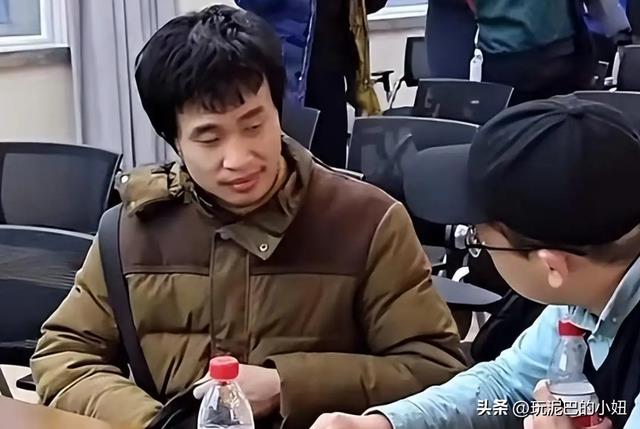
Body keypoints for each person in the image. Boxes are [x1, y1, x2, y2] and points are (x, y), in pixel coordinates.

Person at [30, 5, 466, 429]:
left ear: (279, 111)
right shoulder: (131, 229)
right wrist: (157, 422)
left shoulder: (368, 222)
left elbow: (436, 369)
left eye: (254, 126)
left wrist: (285, 385)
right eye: (209, 139)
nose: (238, 159)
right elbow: (65, 354)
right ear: (174, 140)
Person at [310, 95, 640, 429]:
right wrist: (385, 423)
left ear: (553, 267)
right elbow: (508, 384)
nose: (480, 247)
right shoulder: (585, 289)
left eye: (478, 240)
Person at [235, 0, 386, 168]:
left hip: (332, 75)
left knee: (332, 162)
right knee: (288, 160)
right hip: (287, 74)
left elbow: (372, 5)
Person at [461, 0, 632, 105]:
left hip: (499, 59)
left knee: (508, 137)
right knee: (561, 133)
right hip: (557, 58)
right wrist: (620, 33)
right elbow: (603, 8)